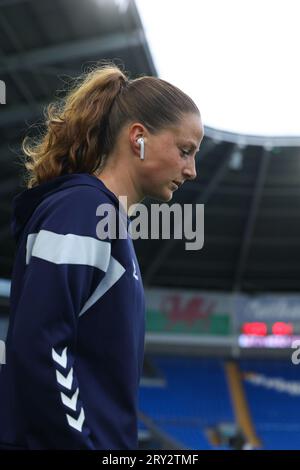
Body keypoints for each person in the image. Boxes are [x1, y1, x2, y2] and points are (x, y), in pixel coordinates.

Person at [0, 63, 204, 450]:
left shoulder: (106, 220)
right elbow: (41, 344)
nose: (191, 170)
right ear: (138, 138)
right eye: (185, 151)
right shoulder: (83, 209)